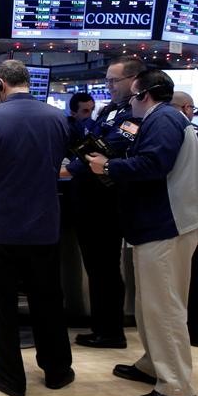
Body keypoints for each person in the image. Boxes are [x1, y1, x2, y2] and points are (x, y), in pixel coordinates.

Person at [0, 59, 73, 396]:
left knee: (3, 302)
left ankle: (11, 378)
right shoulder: (56, 117)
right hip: (44, 223)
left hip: (0, 226)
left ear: (0, 85)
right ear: (26, 81)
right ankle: (57, 371)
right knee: (49, 298)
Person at [85, 69, 198, 396]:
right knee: (151, 304)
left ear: (145, 95)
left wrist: (108, 168)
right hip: (156, 225)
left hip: (166, 224)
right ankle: (153, 364)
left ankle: (176, 385)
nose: (129, 103)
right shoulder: (162, 118)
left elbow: (153, 164)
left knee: (164, 307)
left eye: (132, 97)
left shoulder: (162, 119)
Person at [64, 56, 146, 349]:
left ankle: (111, 332)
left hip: (106, 202)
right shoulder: (111, 109)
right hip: (90, 200)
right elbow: (92, 140)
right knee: (97, 268)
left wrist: (73, 165)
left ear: (134, 81)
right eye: (108, 80)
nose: (109, 85)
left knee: (105, 269)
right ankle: (102, 328)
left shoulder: (134, 115)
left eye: (114, 80)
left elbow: (110, 147)